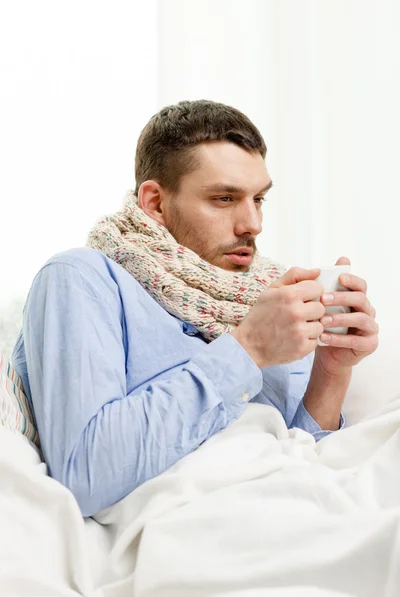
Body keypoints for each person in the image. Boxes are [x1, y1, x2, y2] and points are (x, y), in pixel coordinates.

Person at [12, 100, 379, 518]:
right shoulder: (82, 278)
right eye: (224, 198)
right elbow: (85, 475)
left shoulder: (265, 296)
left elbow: (301, 458)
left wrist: (332, 371)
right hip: (186, 530)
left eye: (258, 199)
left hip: (287, 514)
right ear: (155, 203)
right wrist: (248, 349)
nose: (252, 224)